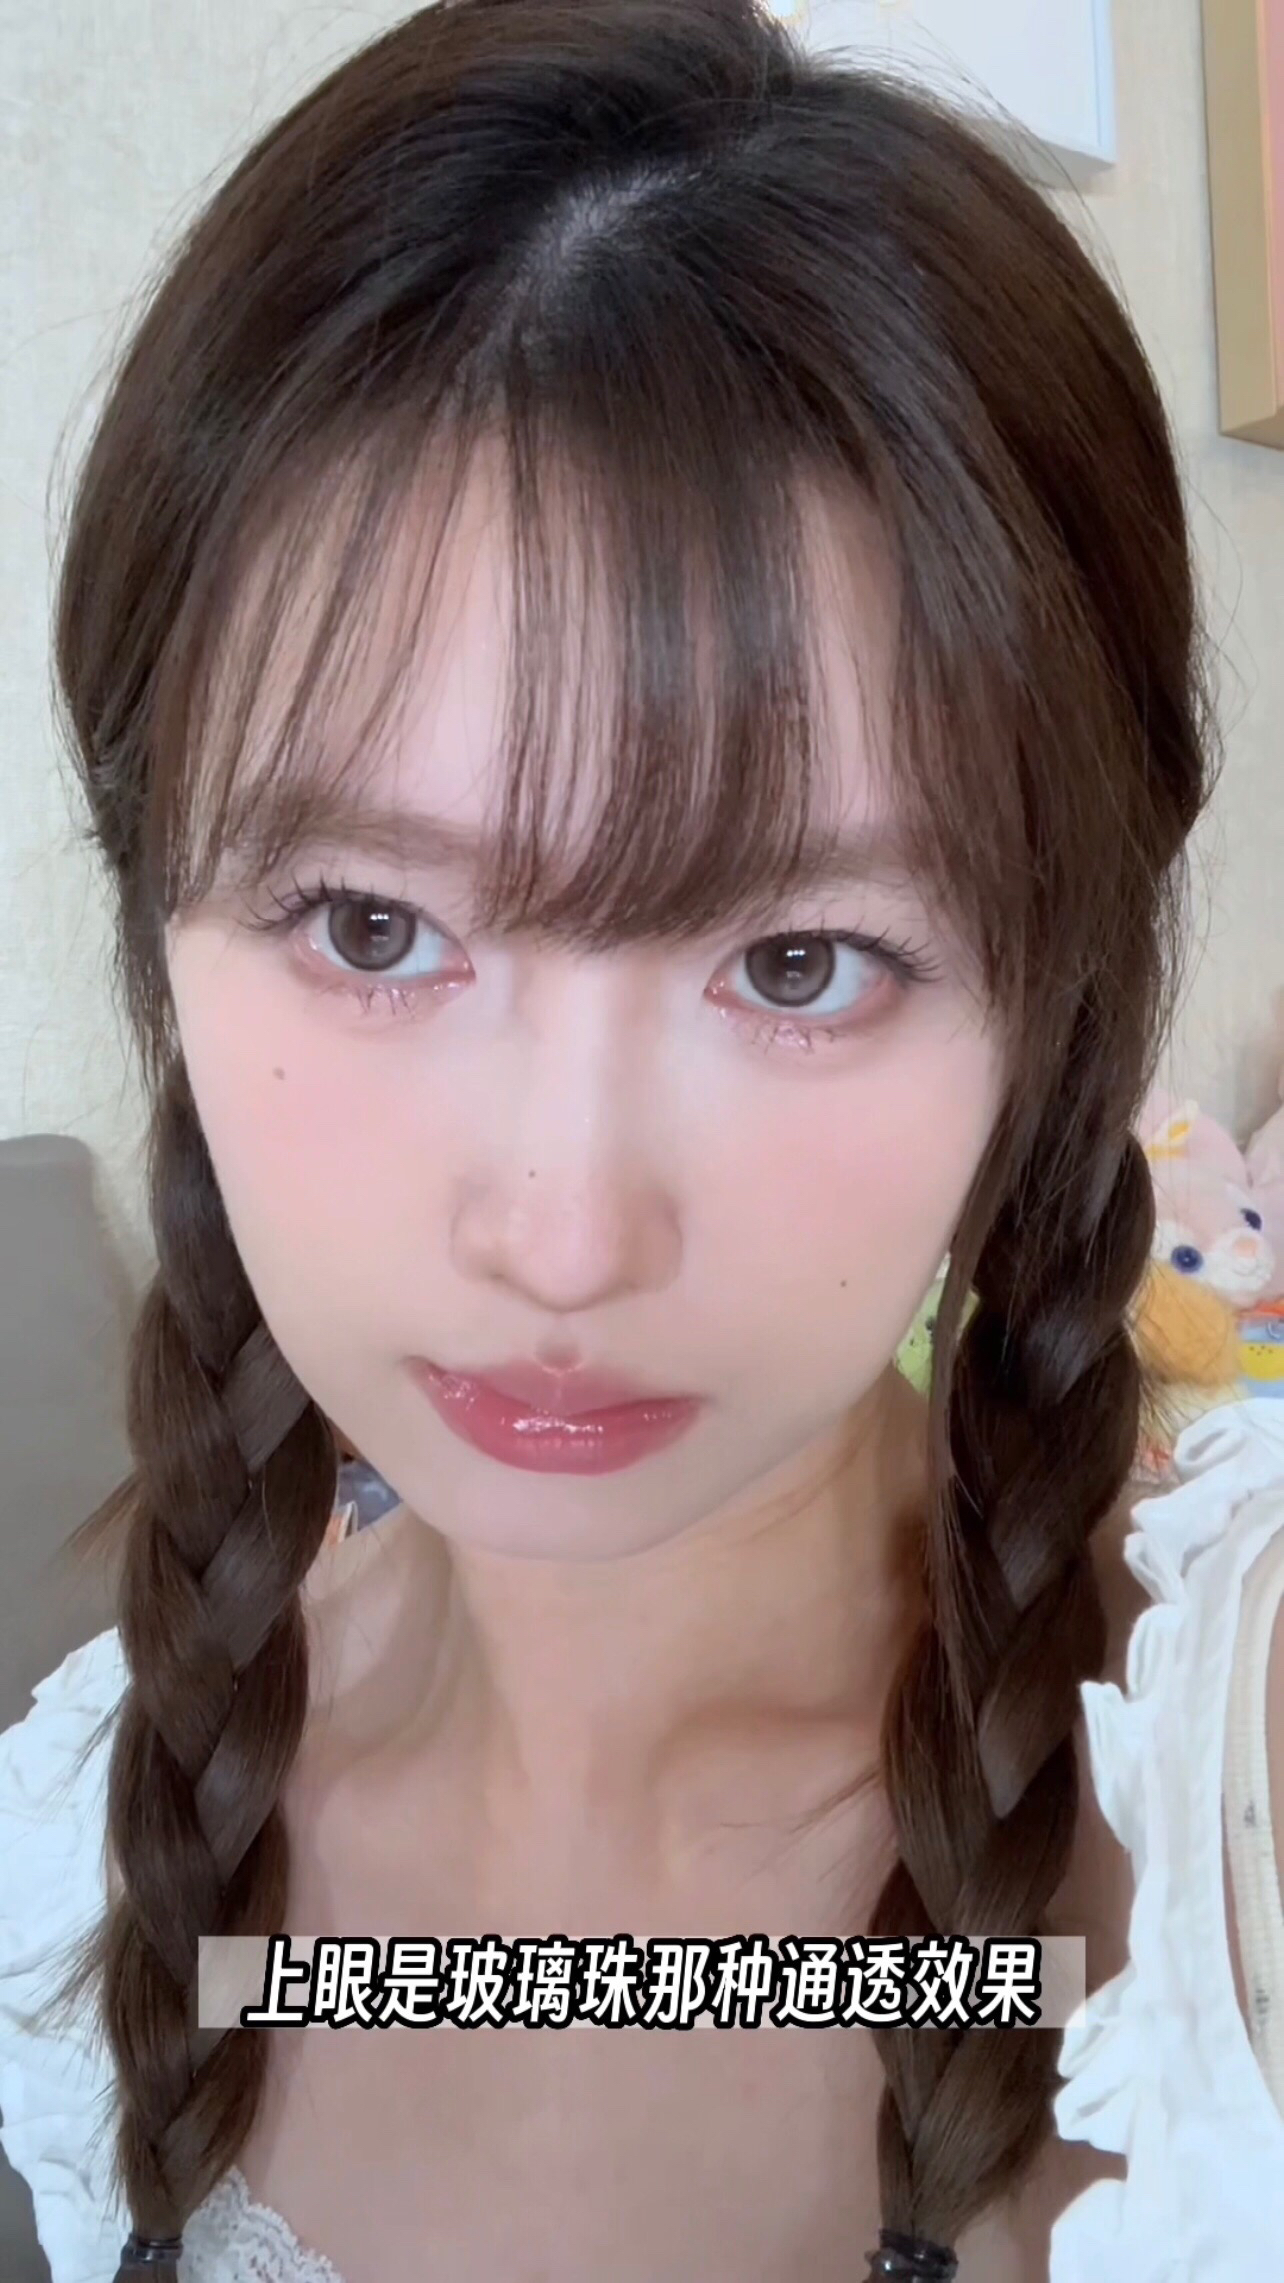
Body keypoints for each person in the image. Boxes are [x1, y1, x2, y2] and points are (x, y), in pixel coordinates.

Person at [1, 2, 1282, 2278]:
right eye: (373, 924)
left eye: (801, 960)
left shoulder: (1226, 1794)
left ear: (1051, 1006)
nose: (564, 1231)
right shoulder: (84, 1846)